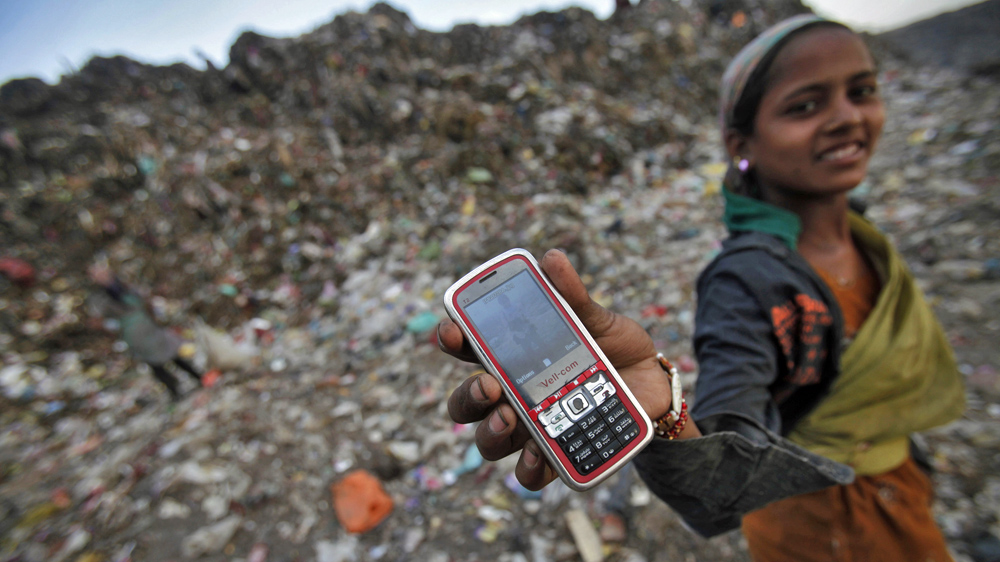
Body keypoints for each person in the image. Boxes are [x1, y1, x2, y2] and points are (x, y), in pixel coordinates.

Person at [438, 14, 966, 561]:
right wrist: (667, 412)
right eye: (805, 105)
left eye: (862, 91)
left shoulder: (861, 230)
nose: (846, 117)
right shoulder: (748, 281)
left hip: (903, 496)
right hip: (826, 529)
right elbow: (724, 467)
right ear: (742, 142)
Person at [89, 264, 203, 400]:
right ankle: (175, 391)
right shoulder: (99, 298)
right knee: (154, 363)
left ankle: (198, 377)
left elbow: (144, 299)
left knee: (171, 353)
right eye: (98, 276)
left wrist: (154, 316)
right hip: (133, 334)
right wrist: (111, 328)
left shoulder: (124, 285)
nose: (102, 277)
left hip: (147, 326)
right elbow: (98, 320)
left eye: (103, 273)